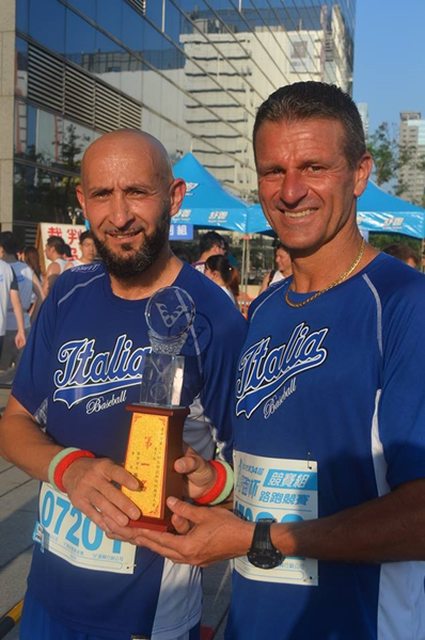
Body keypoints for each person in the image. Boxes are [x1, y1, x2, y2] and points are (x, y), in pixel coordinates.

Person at [127, 82, 425, 639]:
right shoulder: (264, 309)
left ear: (360, 173)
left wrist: (259, 538)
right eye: (273, 171)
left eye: (314, 167)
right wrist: (214, 485)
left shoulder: (405, 305)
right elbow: (274, 474)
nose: (290, 191)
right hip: (253, 621)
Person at [0, 129, 246, 640]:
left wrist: (214, 489)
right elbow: (15, 426)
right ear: (82, 200)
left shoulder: (215, 318)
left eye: (136, 192)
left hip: (147, 616)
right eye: (102, 194)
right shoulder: (68, 294)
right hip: (46, 599)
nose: (119, 216)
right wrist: (69, 469)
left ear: (173, 196)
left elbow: (249, 478)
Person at [0, 232, 44, 372]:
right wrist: (31, 318)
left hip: (4, 325)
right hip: (24, 324)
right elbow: (42, 296)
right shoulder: (27, 270)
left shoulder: (3, 268)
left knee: (3, 371)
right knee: (19, 371)